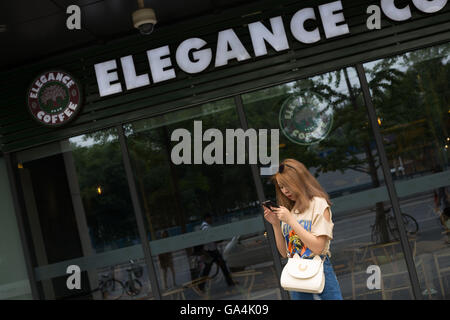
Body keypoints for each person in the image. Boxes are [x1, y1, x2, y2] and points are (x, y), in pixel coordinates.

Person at [263, 159, 343, 300]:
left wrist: (290, 221)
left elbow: (318, 247)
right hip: (295, 270)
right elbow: (284, 253)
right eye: (281, 187)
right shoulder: (290, 211)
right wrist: (275, 224)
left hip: (319, 267)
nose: (285, 191)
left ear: (300, 181)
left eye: (288, 185)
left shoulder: (318, 204)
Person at [198, 214, 236, 291]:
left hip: (212, 251)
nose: (211, 220)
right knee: (209, 269)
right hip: (210, 252)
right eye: (210, 218)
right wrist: (218, 239)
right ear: (207, 218)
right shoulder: (205, 228)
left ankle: (230, 282)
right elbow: (210, 238)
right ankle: (201, 286)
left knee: (220, 266)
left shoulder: (205, 227)